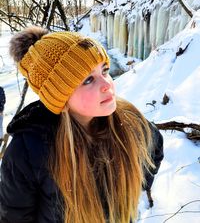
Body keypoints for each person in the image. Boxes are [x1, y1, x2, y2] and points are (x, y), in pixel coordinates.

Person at [0, 26, 163, 223]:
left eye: (104, 70)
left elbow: (155, 149)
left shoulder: (129, 121)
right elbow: (15, 216)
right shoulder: (28, 150)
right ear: (60, 98)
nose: (106, 84)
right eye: (88, 80)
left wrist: (130, 185)